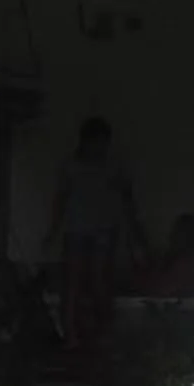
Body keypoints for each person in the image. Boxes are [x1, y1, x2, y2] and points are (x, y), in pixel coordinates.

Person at [48, 116, 142, 351]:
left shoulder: (113, 166)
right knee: (73, 282)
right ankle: (71, 334)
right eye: (96, 142)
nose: (100, 147)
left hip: (104, 230)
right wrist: (52, 231)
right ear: (85, 141)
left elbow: (128, 199)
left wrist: (137, 234)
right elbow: (60, 200)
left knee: (101, 281)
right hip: (77, 230)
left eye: (103, 142)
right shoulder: (72, 165)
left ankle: (103, 333)